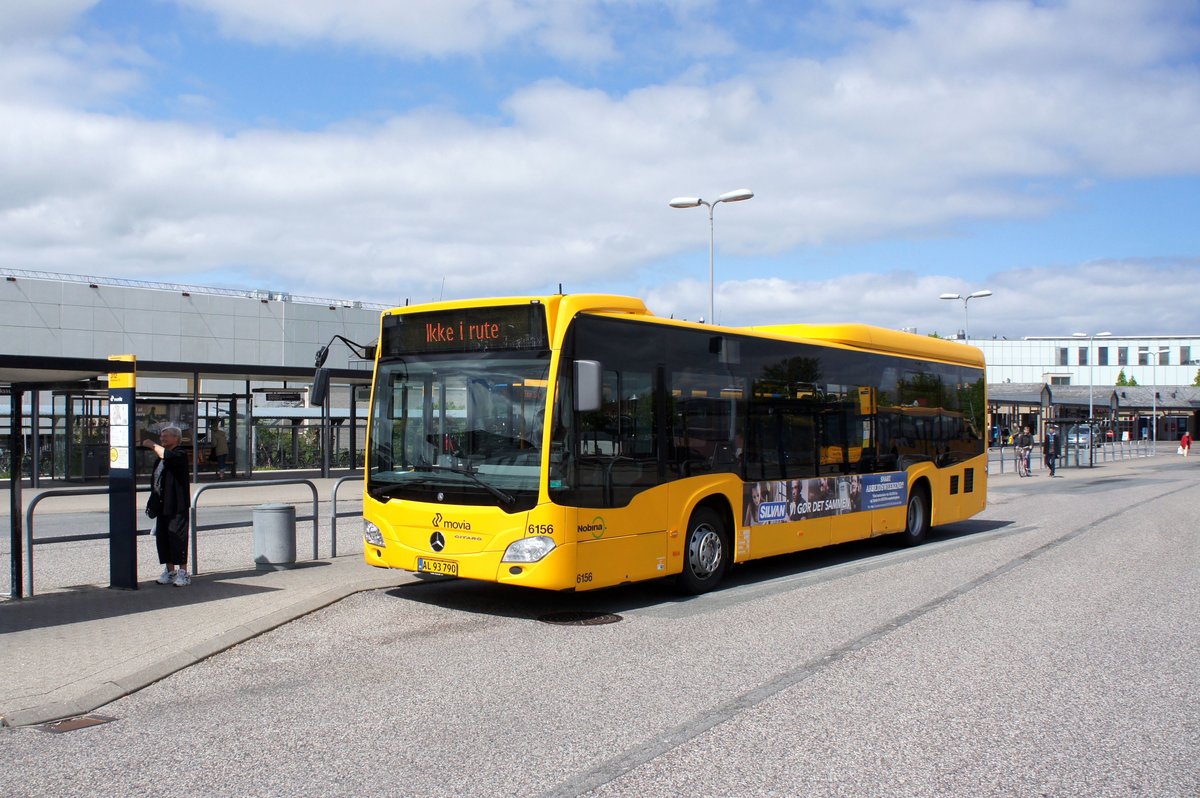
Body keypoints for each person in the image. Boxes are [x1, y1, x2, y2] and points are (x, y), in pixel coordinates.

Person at [142, 425, 192, 586]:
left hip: (177, 504)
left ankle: (183, 573)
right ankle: (170, 571)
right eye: (161, 436)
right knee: (163, 539)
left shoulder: (180, 454)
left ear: (176, 438)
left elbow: (169, 456)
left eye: (166, 436)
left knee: (178, 538)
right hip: (162, 504)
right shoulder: (160, 457)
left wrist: (152, 445)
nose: (162, 438)